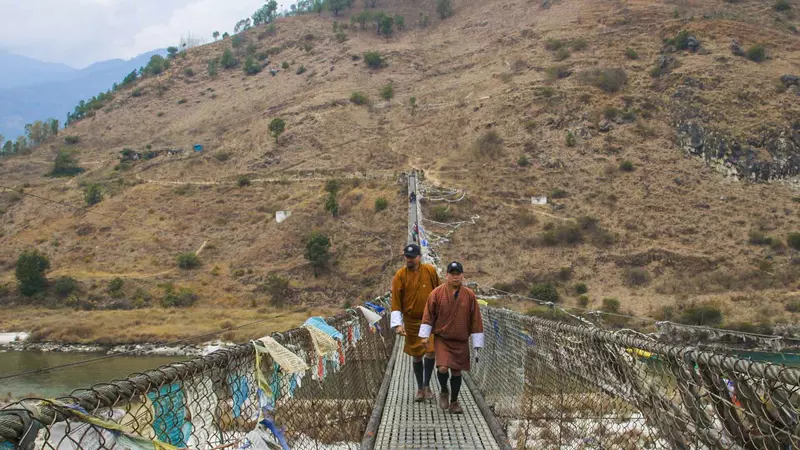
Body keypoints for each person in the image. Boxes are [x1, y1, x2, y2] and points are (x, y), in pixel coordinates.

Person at [419, 261, 484, 414]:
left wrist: (477, 342)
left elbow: (476, 319)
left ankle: (454, 402)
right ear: (447, 275)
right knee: (442, 367)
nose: (455, 277)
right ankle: (443, 390)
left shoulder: (469, 295)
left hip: (461, 339)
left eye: (458, 274)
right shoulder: (436, 293)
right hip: (443, 338)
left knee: (456, 372)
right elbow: (428, 315)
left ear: (462, 276)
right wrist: (424, 335)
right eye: (452, 274)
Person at [391, 243, 441, 402]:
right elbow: (396, 301)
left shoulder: (430, 271)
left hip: (430, 319)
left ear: (419, 257)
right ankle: (420, 388)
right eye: (407, 257)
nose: (409, 260)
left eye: (412, 257)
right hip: (411, 321)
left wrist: (443, 316)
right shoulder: (400, 275)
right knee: (416, 354)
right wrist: (398, 324)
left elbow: (439, 293)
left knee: (431, 350)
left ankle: (426, 385)